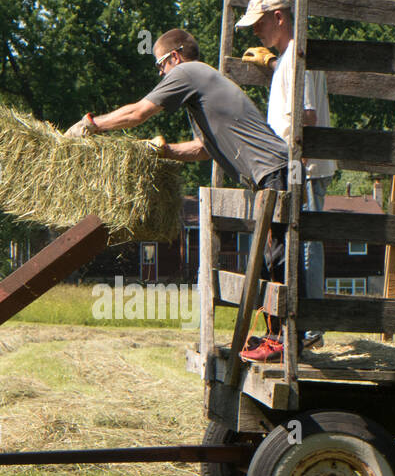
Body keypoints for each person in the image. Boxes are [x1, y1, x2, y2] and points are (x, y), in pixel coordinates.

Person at [64, 27, 305, 362]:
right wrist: (166, 153)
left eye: (161, 66)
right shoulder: (201, 89)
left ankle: (286, 341)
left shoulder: (189, 73)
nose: (161, 74)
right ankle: (276, 337)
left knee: (278, 258)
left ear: (174, 57)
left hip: (275, 171)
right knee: (268, 257)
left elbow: (138, 113)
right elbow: (205, 149)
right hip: (269, 174)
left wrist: (92, 123)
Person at [238, 0, 337, 349]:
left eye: (260, 23)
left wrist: (296, 167)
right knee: (299, 239)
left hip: (303, 164)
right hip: (299, 163)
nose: (255, 32)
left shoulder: (297, 56)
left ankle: (310, 328)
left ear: (279, 17)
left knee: (305, 240)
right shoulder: (290, 58)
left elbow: (305, 116)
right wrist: (273, 67)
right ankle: (301, 326)